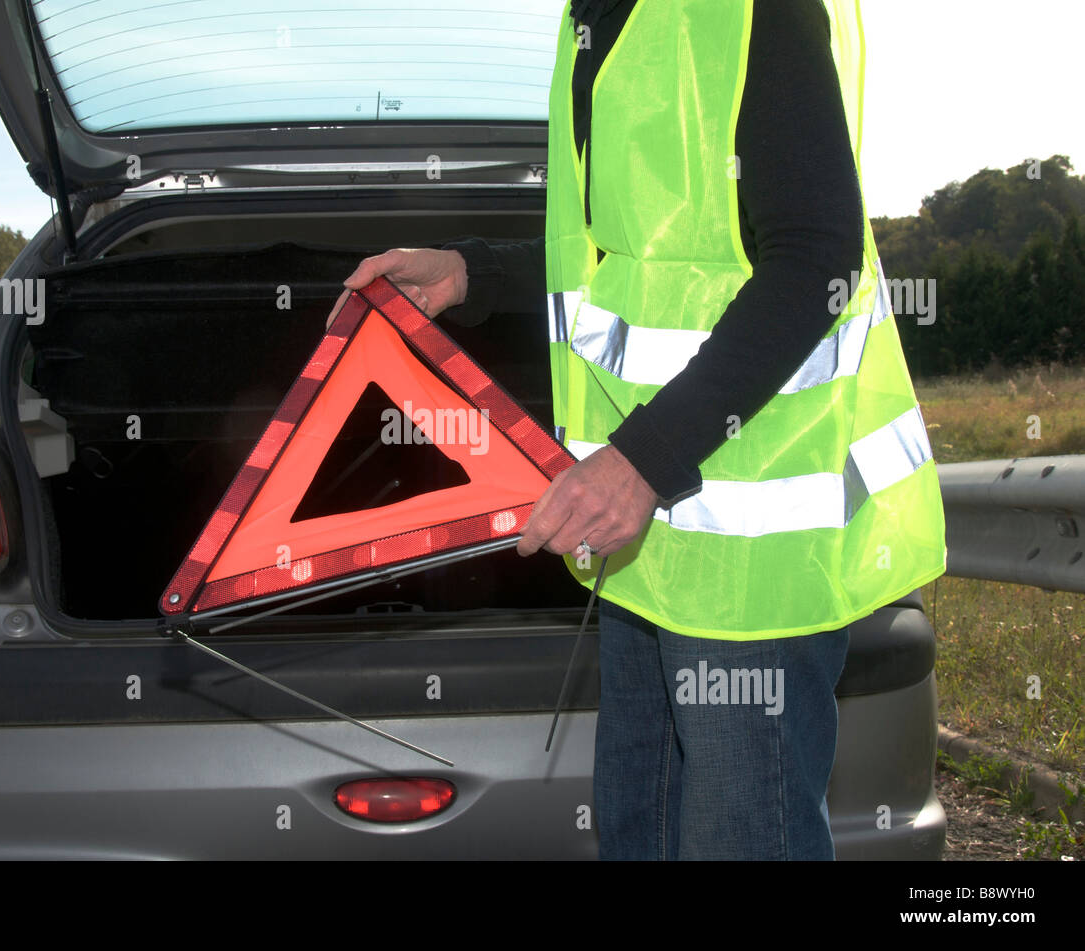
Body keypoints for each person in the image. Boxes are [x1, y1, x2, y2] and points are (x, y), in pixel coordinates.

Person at [326, 0, 946, 860]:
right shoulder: (595, 20)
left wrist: (641, 463)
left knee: (739, 842)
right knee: (636, 835)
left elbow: (817, 258)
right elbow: (624, 251)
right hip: (642, 555)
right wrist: (476, 270)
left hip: (748, 567)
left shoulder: (750, 11)